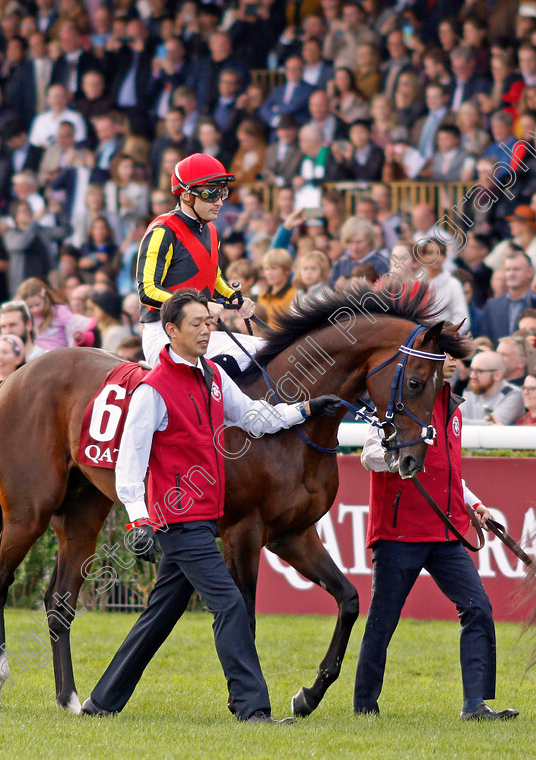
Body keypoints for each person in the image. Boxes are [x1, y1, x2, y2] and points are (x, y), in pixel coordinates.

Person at [81, 288, 342, 722]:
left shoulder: (214, 377)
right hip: (178, 521)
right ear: (171, 331)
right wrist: (139, 520)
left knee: (160, 615)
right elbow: (131, 460)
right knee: (229, 604)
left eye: (209, 322)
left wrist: (308, 408)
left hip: (205, 517)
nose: (207, 331)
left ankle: (101, 702)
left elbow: (257, 418)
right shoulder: (153, 390)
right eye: (197, 324)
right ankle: (252, 709)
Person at [354, 353, 519, 722]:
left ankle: (475, 705)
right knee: (384, 618)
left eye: (458, 355)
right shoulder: (394, 402)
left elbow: (448, 473)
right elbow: (368, 456)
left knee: (477, 607)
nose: (454, 360)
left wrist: (475, 503)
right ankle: (365, 705)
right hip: (399, 531)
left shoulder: (454, 409)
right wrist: (400, 459)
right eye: (446, 354)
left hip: (445, 530)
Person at [136, 152, 261, 372]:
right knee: (253, 350)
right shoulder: (163, 230)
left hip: (196, 330)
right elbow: (147, 290)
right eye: (211, 193)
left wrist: (236, 299)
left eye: (223, 192)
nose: (220, 202)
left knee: (263, 348)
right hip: (165, 331)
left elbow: (215, 278)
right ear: (186, 196)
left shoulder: (212, 230)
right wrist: (200, 306)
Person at [16, 278, 91, 350]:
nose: (35, 309)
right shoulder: (26, 318)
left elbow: (75, 328)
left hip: (59, 355)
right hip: (38, 357)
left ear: (45, 298)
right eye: (30, 306)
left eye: (37, 304)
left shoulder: (59, 311)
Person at [461, 350, 525, 425]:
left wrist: (457, 422)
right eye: (471, 370)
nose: (472, 376)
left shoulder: (512, 394)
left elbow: (493, 426)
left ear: (497, 375)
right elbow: (455, 417)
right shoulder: (469, 392)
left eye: (479, 371)